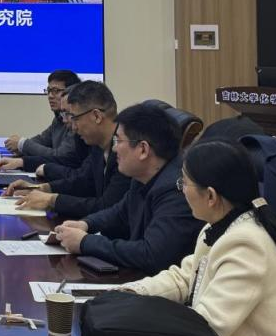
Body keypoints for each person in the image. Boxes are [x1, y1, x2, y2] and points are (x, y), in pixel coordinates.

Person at [121, 140, 276, 336]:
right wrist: (128, 293)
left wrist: (138, 322)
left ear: (211, 195)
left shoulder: (247, 244)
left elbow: (208, 326)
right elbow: (186, 278)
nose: (181, 190)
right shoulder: (219, 227)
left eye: (184, 183)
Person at [53, 103, 201, 274]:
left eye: (118, 140)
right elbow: (120, 212)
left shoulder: (177, 189)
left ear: (143, 149)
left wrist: (85, 242)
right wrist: (85, 224)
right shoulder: (144, 175)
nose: (114, 148)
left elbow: (151, 255)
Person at [2, 81, 131, 219]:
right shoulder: (98, 145)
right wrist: (40, 188)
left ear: (96, 116)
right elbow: (83, 181)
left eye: (75, 118)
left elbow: (107, 207)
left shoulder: (127, 150)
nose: (73, 127)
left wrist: (52, 200)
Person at [2, 70, 87, 167]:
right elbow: (43, 140)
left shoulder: (76, 122)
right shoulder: (59, 118)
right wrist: (20, 147)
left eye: (56, 91)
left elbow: (61, 156)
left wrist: (22, 144)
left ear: (71, 93)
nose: (50, 96)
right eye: (49, 91)